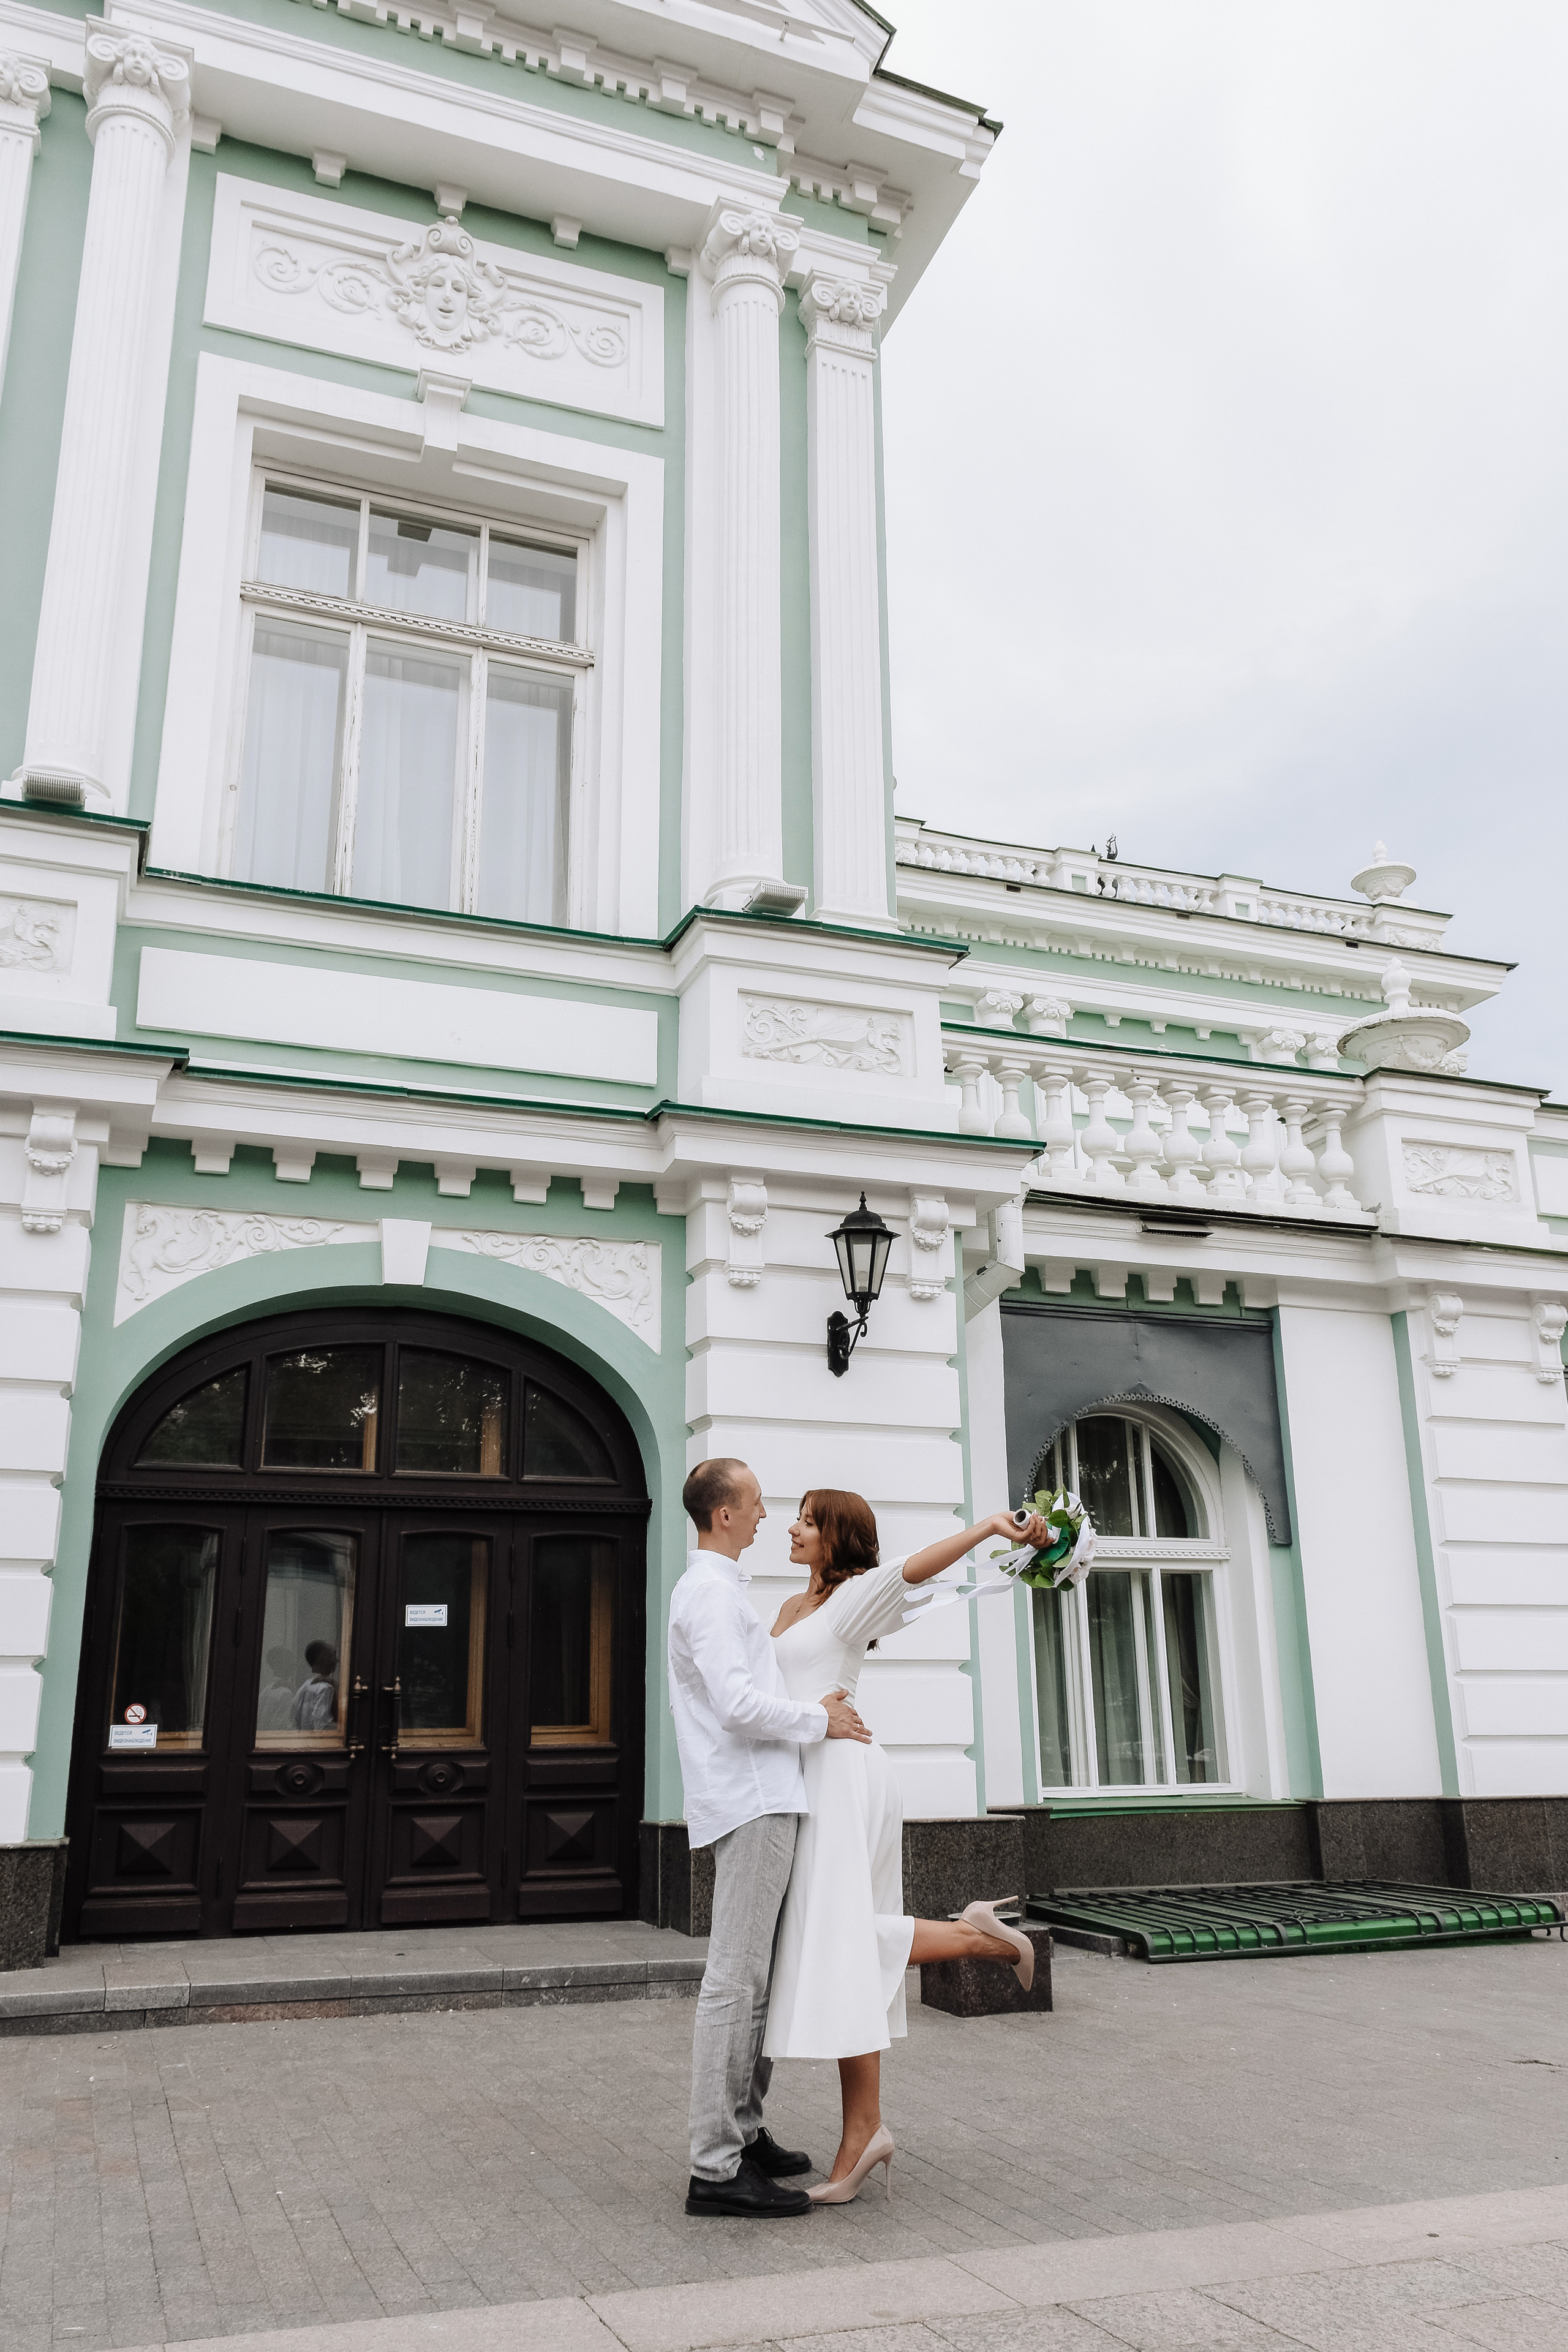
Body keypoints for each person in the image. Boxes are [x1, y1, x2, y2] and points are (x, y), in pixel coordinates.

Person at [762, 1490, 1052, 2206]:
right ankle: (971, 1938)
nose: (793, 1528)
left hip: (843, 1776)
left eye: (807, 1519)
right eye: (795, 1516)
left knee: (838, 1943)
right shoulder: (785, 1611)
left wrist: (988, 1526)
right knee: (836, 1945)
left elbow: (913, 1572)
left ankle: (976, 1943)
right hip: (805, 1778)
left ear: (837, 1537)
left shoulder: (853, 1599)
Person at [668, 1458, 874, 2220]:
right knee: (734, 1980)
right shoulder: (711, 1595)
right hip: (753, 1799)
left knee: (753, 1979)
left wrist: (808, 1706)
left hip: (762, 1794)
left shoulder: (720, 1591)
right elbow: (735, 1704)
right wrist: (822, 1720)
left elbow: (750, 1693)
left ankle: (744, 2133)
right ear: (724, 1515)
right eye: (755, 1505)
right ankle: (716, 2168)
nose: (765, 1516)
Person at [292, 1642, 339, 1733]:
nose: (337, 1660)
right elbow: (322, 1726)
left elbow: (294, 1718)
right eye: (332, 1656)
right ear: (321, 1660)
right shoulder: (325, 1688)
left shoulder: (305, 1686)